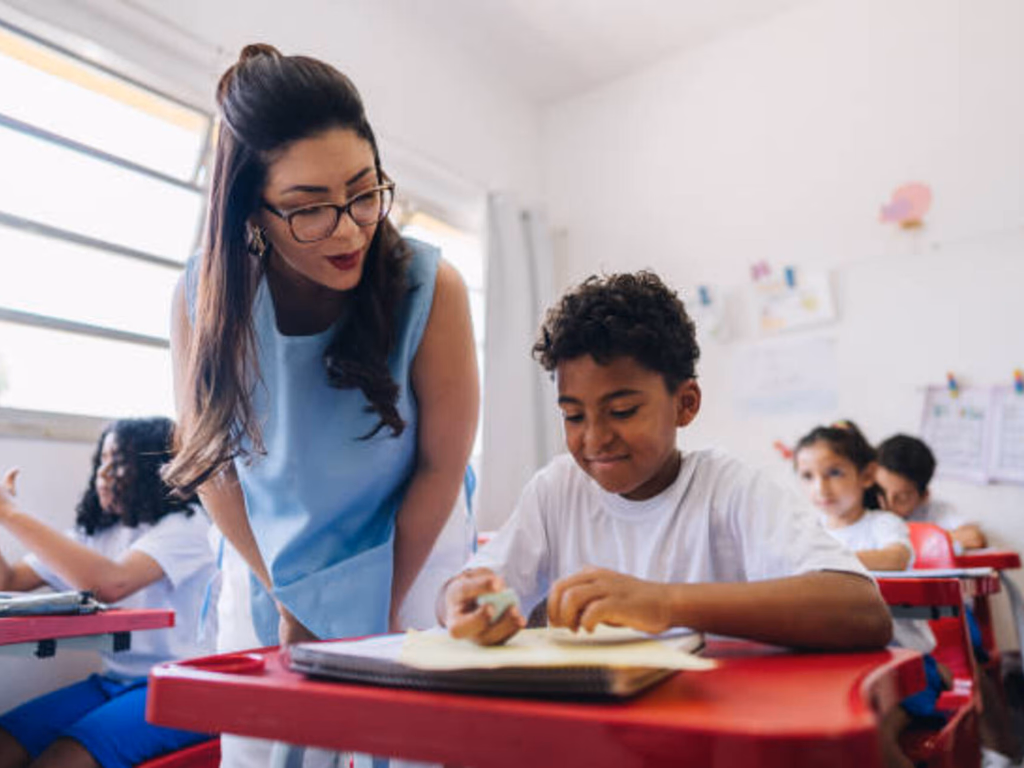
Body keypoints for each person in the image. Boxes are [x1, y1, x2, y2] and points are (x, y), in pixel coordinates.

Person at [161, 43, 478, 766]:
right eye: (308, 210)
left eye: (364, 192)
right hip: (268, 557)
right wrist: (296, 600)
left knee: (408, 748)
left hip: (411, 548)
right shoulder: (204, 300)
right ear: (252, 208)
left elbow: (440, 464)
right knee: (266, 748)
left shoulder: (432, 288)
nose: (348, 228)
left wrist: (362, 610)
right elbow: (214, 466)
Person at [440, 271, 891, 654]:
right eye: (573, 416)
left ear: (686, 403)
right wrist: (459, 601)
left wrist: (664, 603)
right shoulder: (556, 491)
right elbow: (464, 594)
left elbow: (862, 610)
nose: (594, 438)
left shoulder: (727, 489)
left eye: (621, 411)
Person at [0, 417, 216, 768]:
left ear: (155, 468)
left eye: (119, 462)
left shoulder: (188, 526)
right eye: (102, 460)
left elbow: (112, 583)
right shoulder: (95, 533)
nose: (105, 473)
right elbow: (7, 582)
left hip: (182, 685)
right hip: (113, 681)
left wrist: (10, 512)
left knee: (62, 759)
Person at [793, 420, 947, 768]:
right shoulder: (808, 533)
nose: (821, 487)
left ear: (867, 475)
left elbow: (896, 557)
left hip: (903, 664)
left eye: (834, 472)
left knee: (871, 739)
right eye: (807, 476)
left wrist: (825, 560)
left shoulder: (882, 524)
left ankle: (938, 676)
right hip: (839, 665)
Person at [876, 434, 987, 552]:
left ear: (924, 496)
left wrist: (908, 539)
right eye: (880, 491)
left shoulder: (936, 512)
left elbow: (974, 538)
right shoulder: (861, 506)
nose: (887, 504)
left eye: (902, 497)